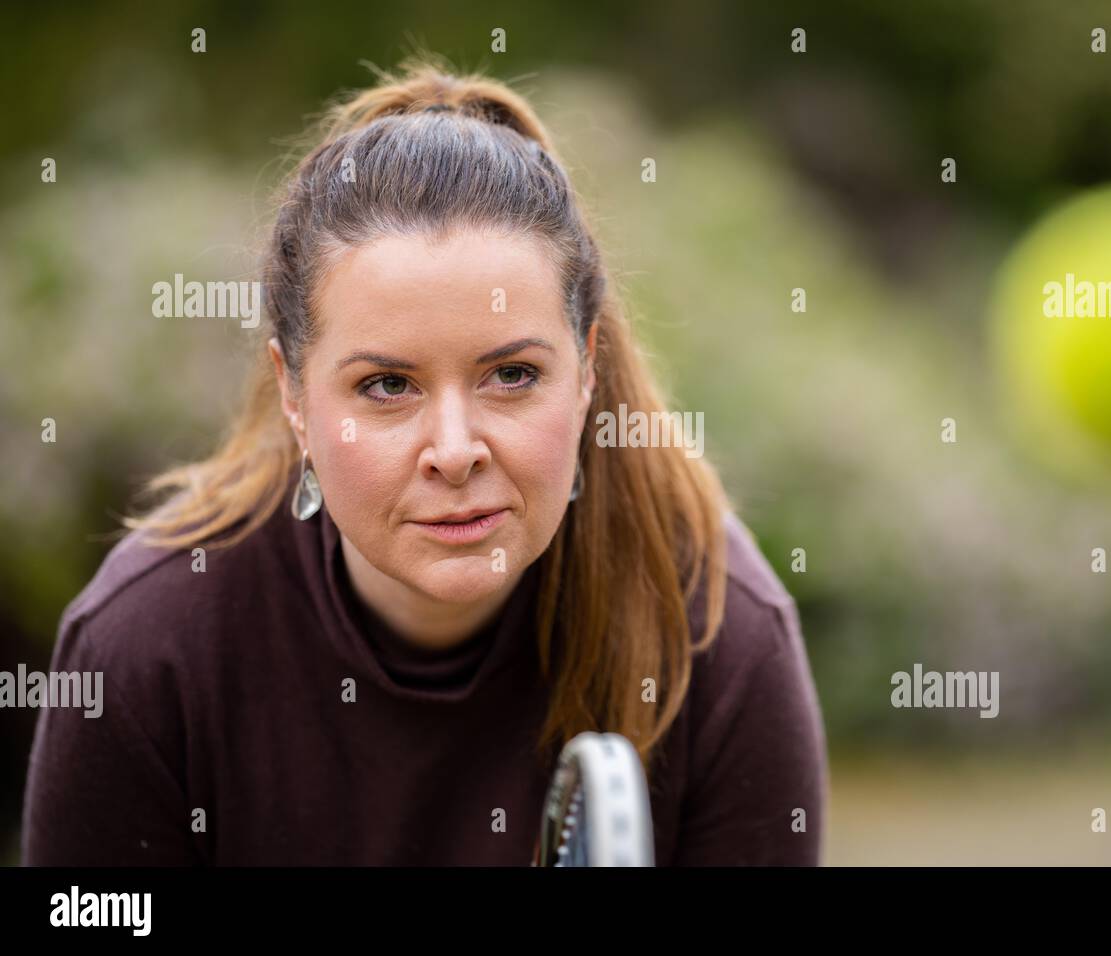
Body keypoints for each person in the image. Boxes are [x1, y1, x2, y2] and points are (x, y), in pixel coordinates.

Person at [21, 58, 828, 866]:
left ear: (586, 373)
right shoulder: (143, 648)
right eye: (386, 386)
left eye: (512, 375)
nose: (452, 451)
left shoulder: (722, 636)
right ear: (295, 397)